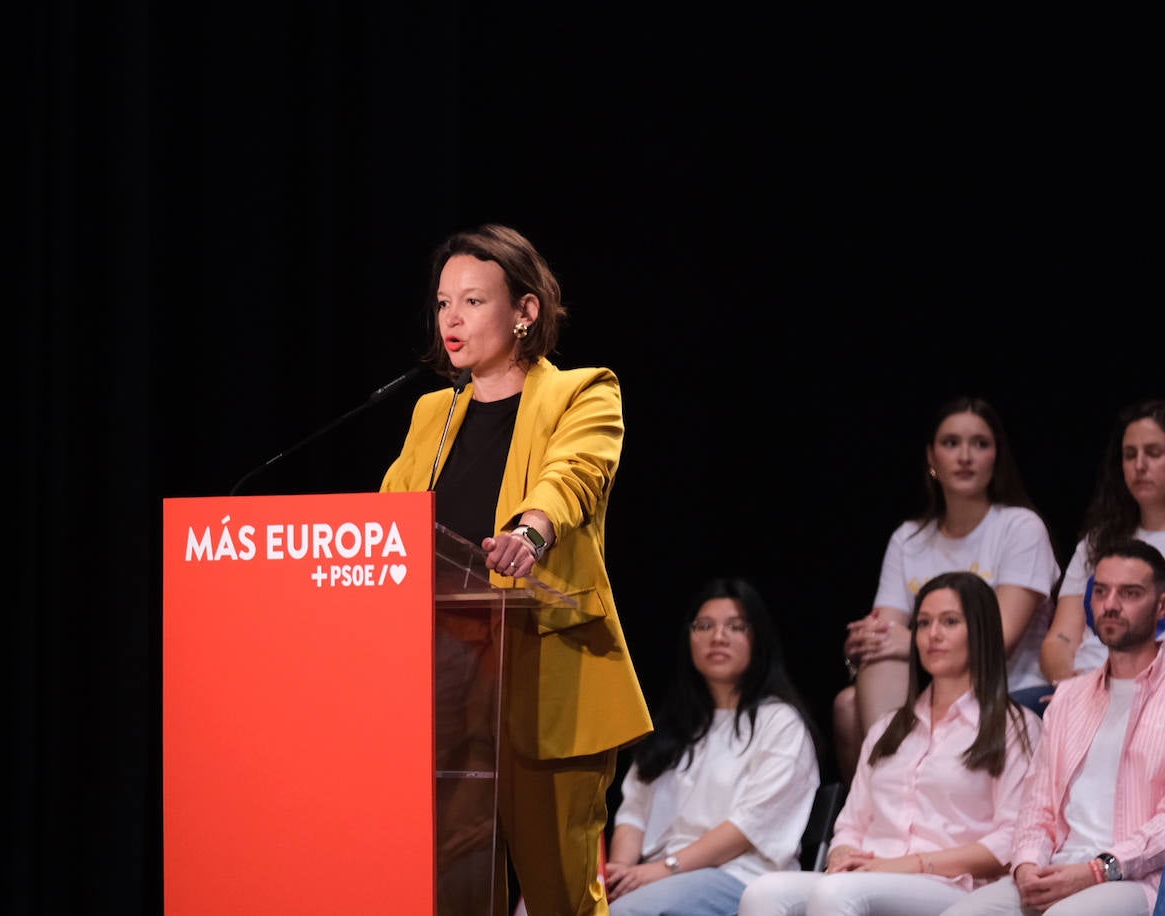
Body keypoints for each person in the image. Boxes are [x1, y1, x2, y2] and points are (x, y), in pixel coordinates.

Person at [380, 223, 653, 916]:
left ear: (525, 311)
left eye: (473, 300)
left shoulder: (584, 392)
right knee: (451, 894)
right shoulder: (429, 414)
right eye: (443, 303)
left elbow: (575, 476)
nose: (452, 318)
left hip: (545, 681)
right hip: (445, 688)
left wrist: (529, 534)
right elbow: (389, 524)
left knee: (560, 897)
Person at [738, 571, 1042, 915]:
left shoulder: (1012, 726)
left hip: (951, 884)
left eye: (950, 622)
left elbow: (1011, 837)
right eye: (924, 623)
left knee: (838, 894)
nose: (933, 635)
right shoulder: (888, 727)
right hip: (871, 872)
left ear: (981, 632)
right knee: (764, 891)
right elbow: (851, 824)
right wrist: (842, 854)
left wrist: (915, 864)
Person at [940, 538, 1165, 916]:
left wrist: (1098, 870)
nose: (1111, 605)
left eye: (1129, 593)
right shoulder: (1068, 697)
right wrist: (1028, 868)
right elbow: (1037, 807)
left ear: (1164, 605)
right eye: (1101, 591)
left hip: (1140, 881)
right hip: (1057, 868)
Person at [832, 396, 1058, 783]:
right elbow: (883, 633)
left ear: (996, 457)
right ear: (931, 458)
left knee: (867, 690)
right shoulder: (908, 538)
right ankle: (888, 797)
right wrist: (863, 643)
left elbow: (997, 640)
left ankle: (895, 791)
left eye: (980, 444)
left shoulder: (1020, 527)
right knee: (847, 703)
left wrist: (906, 640)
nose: (965, 456)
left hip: (1008, 686)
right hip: (936, 684)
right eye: (951, 443)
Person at [604, 577, 821, 916]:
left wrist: (662, 870)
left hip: (738, 876)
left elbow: (750, 825)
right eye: (704, 626)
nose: (718, 637)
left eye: (736, 627)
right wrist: (619, 872)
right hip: (655, 875)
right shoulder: (671, 727)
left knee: (623, 914)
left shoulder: (780, 722)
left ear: (758, 639)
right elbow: (634, 811)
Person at [1037, 399, 1165, 704]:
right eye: (1130, 455)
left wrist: (1128, 687)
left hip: (1163, 691)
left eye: (1153, 453)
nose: (1140, 465)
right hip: (1087, 687)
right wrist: (1070, 684)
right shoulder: (1097, 541)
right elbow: (1060, 638)